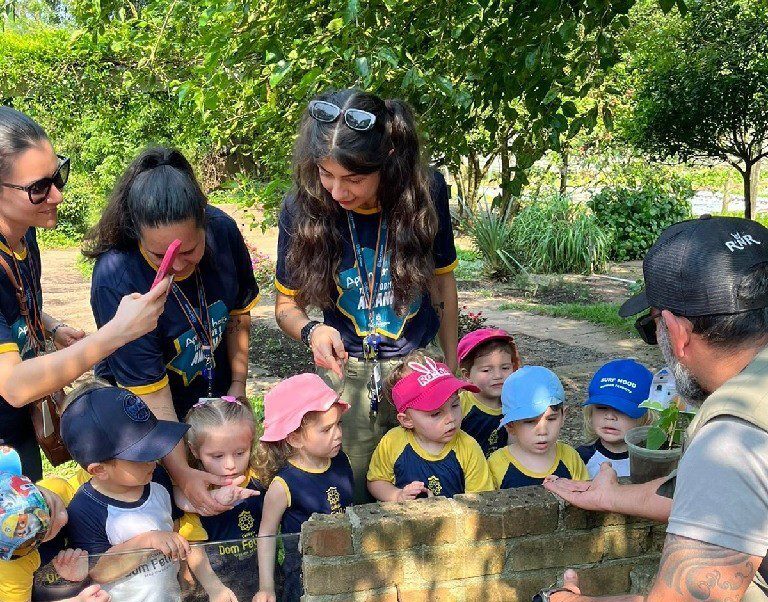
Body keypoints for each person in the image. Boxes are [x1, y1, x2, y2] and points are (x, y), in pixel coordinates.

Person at [541, 216, 768, 602]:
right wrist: (611, 497)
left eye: (652, 329)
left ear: (676, 332)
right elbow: (727, 499)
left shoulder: (734, 437)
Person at [274, 89, 459, 502]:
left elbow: (443, 285)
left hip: (417, 372)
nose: (338, 191)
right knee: (352, 493)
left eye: (354, 179)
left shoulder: (425, 193)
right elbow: (285, 308)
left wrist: (452, 366)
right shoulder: (304, 208)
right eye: (325, 173)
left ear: (389, 157)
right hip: (347, 379)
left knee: (426, 488)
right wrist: (311, 333)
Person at [85, 146, 260, 515]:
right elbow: (151, 390)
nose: (178, 265)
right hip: (148, 420)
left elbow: (237, 316)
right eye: (161, 255)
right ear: (136, 236)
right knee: (174, 514)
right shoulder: (117, 276)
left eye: (190, 250)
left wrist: (238, 387)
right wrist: (182, 474)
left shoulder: (223, 231)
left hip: (215, 403)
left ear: (203, 222)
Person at [0, 107, 172, 480]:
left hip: (18, 430)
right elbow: (13, 385)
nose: (57, 195)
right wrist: (118, 333)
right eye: (38, 188)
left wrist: (50, 326)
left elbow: (12, 303)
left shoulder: (22, 230)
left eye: (57, 174)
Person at [61, 385, 190, 602]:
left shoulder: (156, 477)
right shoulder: (85, 509)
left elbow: (171, 526)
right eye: (142, 456)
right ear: (99, 470)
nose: (155, 459)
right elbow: (98, 571)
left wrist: (184, 571)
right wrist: (146, 541)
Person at [255, 374, 354, 602]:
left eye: (339, 424)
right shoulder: (283, 486)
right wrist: (267, 587)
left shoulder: (342, 461)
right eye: (326, 429)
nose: (338, 434)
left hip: (343, 565)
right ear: (295, 438)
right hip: (303, 576)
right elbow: (267, 534)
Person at [367, 355, 494, 500]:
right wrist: (398, 496)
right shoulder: (393, 442)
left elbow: (481, 500)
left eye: (455, 405)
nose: (451, 418)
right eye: (436, 413)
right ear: (407, 420)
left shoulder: (468, 447)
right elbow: (376, 481)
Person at [178, 396, 264, 602]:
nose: (230, 465)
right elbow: (193, 545)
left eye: (240, 453)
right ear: (194, 450)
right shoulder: (193, 492)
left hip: (257, 581)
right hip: (213, 587)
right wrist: (215, 589)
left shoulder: (260, 478)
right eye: (217, 456)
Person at [0, 471, 109, 602]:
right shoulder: (14, 566)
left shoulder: (58, 487)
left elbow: (98, 478)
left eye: (53, 506)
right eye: (49, 532)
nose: (63, 519)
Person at [488, 366, 587, 489]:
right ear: (510, 425)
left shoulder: (570, 457)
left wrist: (568, 489)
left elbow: (586, 499)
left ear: (563, 416)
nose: (543, 431)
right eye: (530, 421)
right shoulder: (497, 464)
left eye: (551, 419)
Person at [576, 359, 654, 479]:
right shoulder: (579, 458)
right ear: (590, 412)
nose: (610, 416)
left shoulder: (653, 461)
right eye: (601, 407)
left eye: (621, 409)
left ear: (647, 416)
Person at [457, 328, 521, 457]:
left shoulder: (516, 403)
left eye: (505, 368)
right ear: (467, 375)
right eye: (486, 370)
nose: (498, 375)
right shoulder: (459, 405)